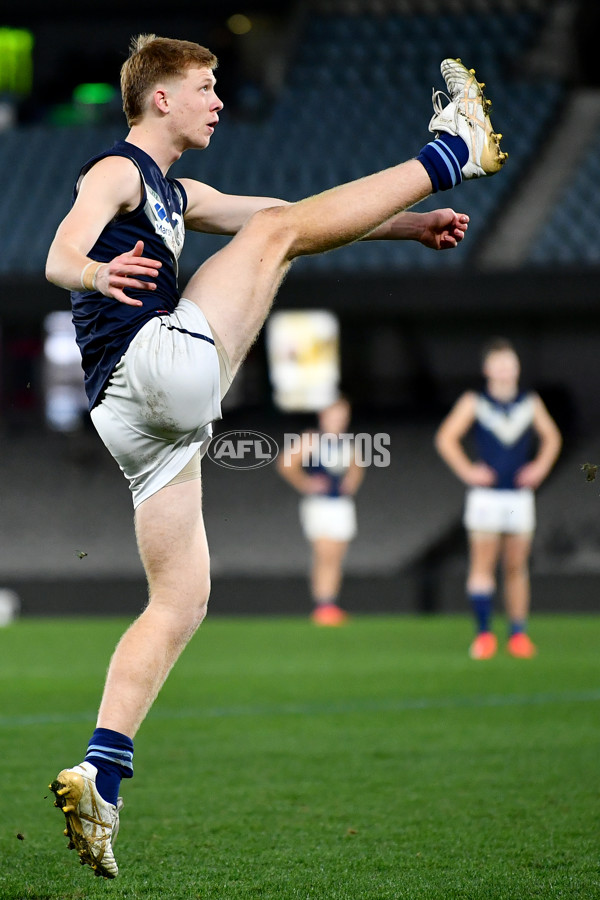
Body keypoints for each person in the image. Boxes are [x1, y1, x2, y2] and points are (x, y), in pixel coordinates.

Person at [45, 35, 507, 878]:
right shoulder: (115, 170)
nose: (219, 101)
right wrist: (90, 274)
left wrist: (403, 227)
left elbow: (294, 214)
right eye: (206, 87)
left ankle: (101, 774)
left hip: (131, 420)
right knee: (273, 235)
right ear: (160, 101)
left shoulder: (178, 191)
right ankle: (454, 148)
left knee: (181, 599)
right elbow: (59, 250)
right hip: (154, 366)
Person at [434, 338, 562, 660]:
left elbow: (552, 437)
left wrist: (540, 467)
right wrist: (467, 471)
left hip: (518, 496)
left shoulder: (529, 402)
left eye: (511, 363)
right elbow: (446, 437)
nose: (506, 369)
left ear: (517, 367)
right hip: (486, 497)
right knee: (482, 566)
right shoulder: (475, 401)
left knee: (517, 567)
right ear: (487, 368)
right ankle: (484, 634)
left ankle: (518, 634)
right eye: (500, 363)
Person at [277, 397, 363, 625]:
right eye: (335, 415)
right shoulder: (312, 439)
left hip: (341, 504)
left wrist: (352, 482)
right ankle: (322, 604)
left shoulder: (347, 442)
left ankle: (331, 603)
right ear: (323, 416)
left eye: (343, 416)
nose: (339, 420)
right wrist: (305, 483)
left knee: (337, 555)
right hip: (319, 504)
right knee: (324, 554)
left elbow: (357, 466)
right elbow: (286, 463)